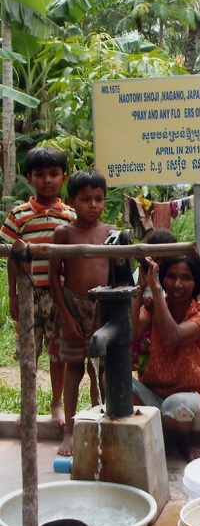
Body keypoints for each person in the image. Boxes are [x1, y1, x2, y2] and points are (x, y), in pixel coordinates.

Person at [0, 146, 76, 432]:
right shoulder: (18, 215)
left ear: (63, 177)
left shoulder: (70, 216)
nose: (47, 180)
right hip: (29, 294)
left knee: (58, 352)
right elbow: (11, 258)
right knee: (28, 352)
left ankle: (56, 403)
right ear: (29, 177)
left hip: (60, 295)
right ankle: (27, 404)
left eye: (53, 174)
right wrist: (12, 294)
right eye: (40, 174)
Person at [49, 169, 116, 456]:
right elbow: (54, 278)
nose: (93, 205)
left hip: (104, 306)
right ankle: (70, 430)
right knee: (75, 368)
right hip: (73, 306)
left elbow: (119, 273)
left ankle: (101, 423)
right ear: (71, 201)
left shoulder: (111, 233)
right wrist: (66, 316)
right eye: (85, 199)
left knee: (101, 370)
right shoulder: (63, 233)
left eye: (98, 199)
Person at [131, 254, 200, 462]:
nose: (177, 284)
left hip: (197, 402)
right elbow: (131, 334)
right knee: (114, 380)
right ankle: (163, 435)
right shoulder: (153, 308)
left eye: (186, 278)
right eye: (171, 276)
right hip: (155, 400)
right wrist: (140, 288)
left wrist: (156, 292)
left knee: (176, 404)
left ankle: (181, 442)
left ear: (196, 282)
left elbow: (173, 337)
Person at [130, 228, 178, 377]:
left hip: (167, 324)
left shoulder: (175, 274)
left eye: (163, 259)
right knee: (146, 364)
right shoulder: (144, 274)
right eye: (155, 259)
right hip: (146, 327)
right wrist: (142, 293)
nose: (157, 264)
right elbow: (131, 332)